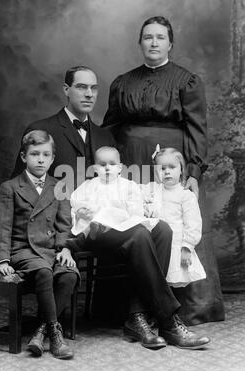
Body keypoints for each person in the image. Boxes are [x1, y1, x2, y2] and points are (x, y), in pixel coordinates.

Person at [102, 16, 224, 325]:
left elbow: (197, 129)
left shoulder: (187, 80)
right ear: (139, 43)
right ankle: (128, 309)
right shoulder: (122, 82)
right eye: (147, 37)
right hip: (130, 162)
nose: (153, 43)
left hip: (171, 162)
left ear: (170, 43)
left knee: (174, 222)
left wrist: (193, 173)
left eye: (160, 37)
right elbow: (110, 127)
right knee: (134, 225)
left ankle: (180, 308)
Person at [69, 146, 210, 350]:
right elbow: (77, 205)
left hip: (123, 230)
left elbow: (135, 211)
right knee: (141, 233)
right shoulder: (89, 186)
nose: (107, 169)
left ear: (120, 167)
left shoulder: (128, 186)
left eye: (112, 164)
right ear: (94, 168)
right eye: (102, 165)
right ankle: (167, 320)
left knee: (163, 229)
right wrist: (83, 211)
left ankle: (138, 315)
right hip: (98, 234)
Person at [0, 130, 79, 359]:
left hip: (50, 249)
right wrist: (2, 259)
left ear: (52, 159)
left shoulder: (58, 186)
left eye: (45, 155)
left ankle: (41, 331)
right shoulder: (10, 187)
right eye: (34, 154)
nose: (40, 159)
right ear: (23, 157)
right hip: (22, 250)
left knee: (69, 274)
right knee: (43, 271)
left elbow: (64, 225)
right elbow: (2, 227)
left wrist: (65, 248)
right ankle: (55, 334)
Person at [12, 65, 115, 189]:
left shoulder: (106, 137)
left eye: (93, 88)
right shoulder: (41, 130)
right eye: (81, 87)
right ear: (66, 90)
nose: (89, 94)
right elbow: (20, 188)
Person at [143, 146, 206, 288]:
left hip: (177, 244)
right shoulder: (152, 189)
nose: (167, 172)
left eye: (172, 167)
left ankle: (172, 307)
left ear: (181, 169)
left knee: (172, 277)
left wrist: (187, 247)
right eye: (162, 168)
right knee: (153, 279)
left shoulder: (185, 194)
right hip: (156, 244)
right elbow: (134, 195)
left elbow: (193, 223)